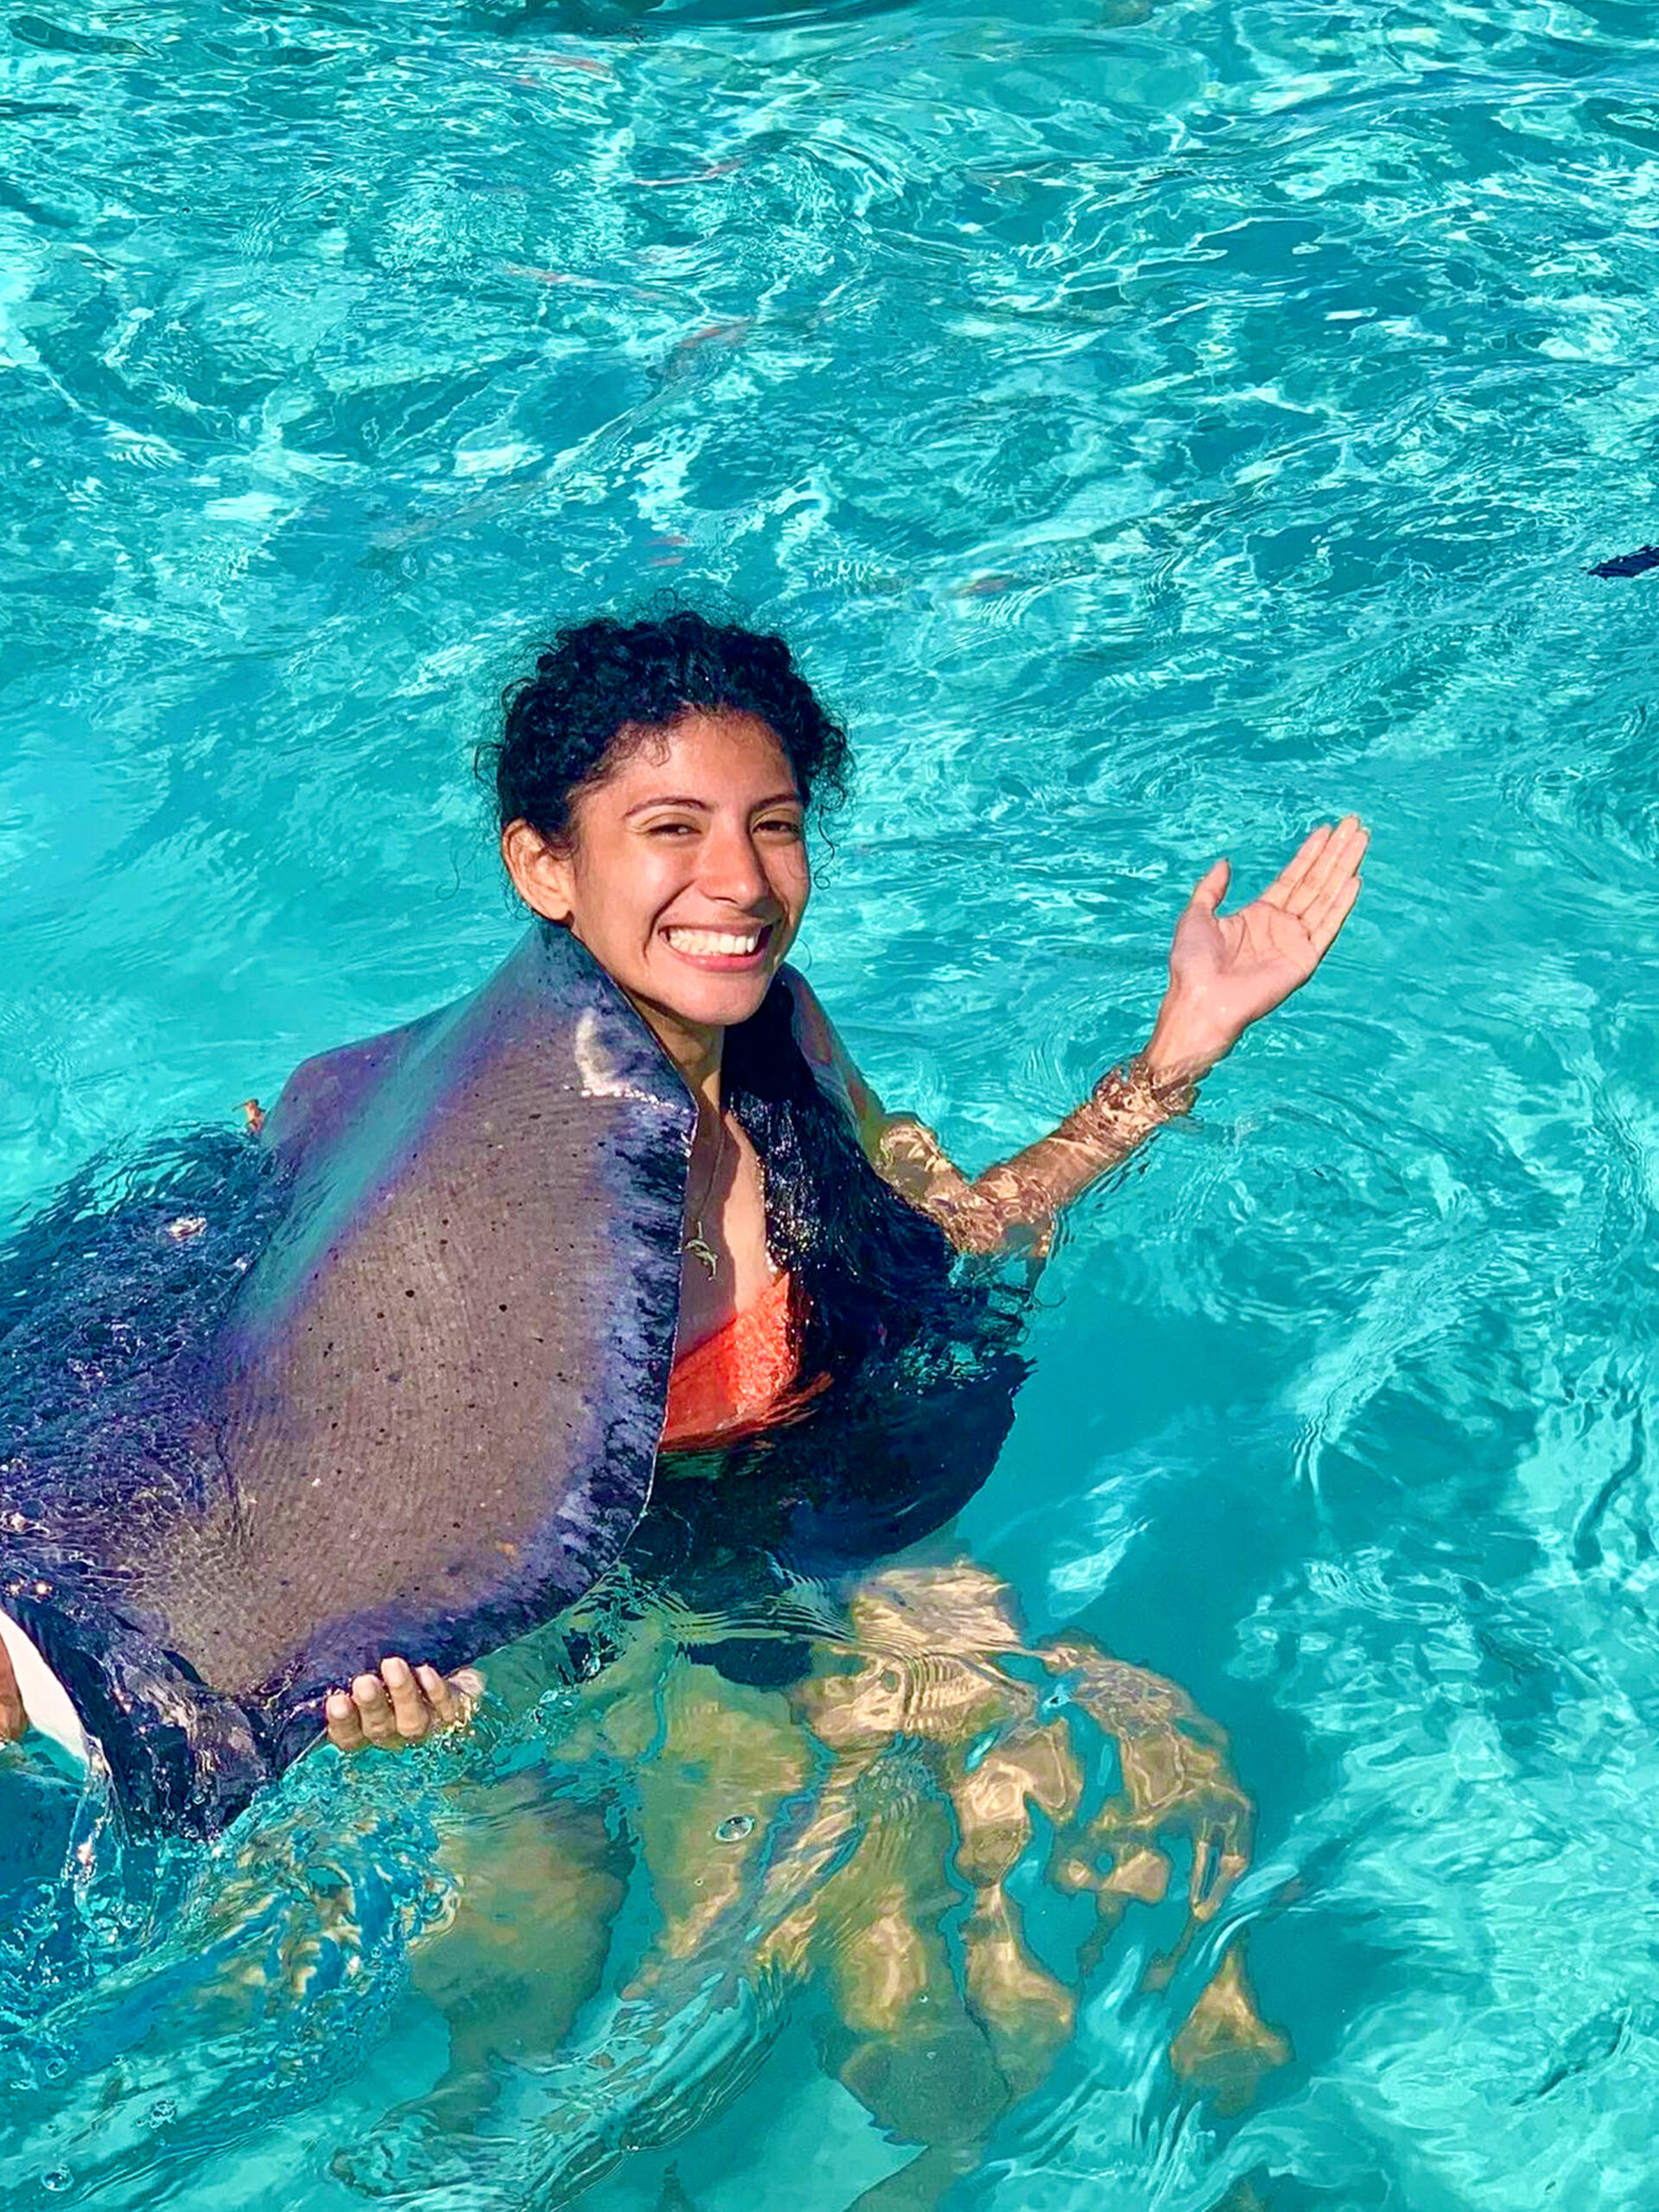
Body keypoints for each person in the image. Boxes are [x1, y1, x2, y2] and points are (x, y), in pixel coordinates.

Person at [0, 606, 1365, 1753]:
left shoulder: (786, 1037)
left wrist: (1178, 1052)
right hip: (589, 1644)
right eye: (671, 828)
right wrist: (405, 1704)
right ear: (545, 866)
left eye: (774, 825)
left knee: (1135, 1761)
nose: (741, 883)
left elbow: (962, 1233)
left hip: (794, 1547)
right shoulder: (451, 1208)